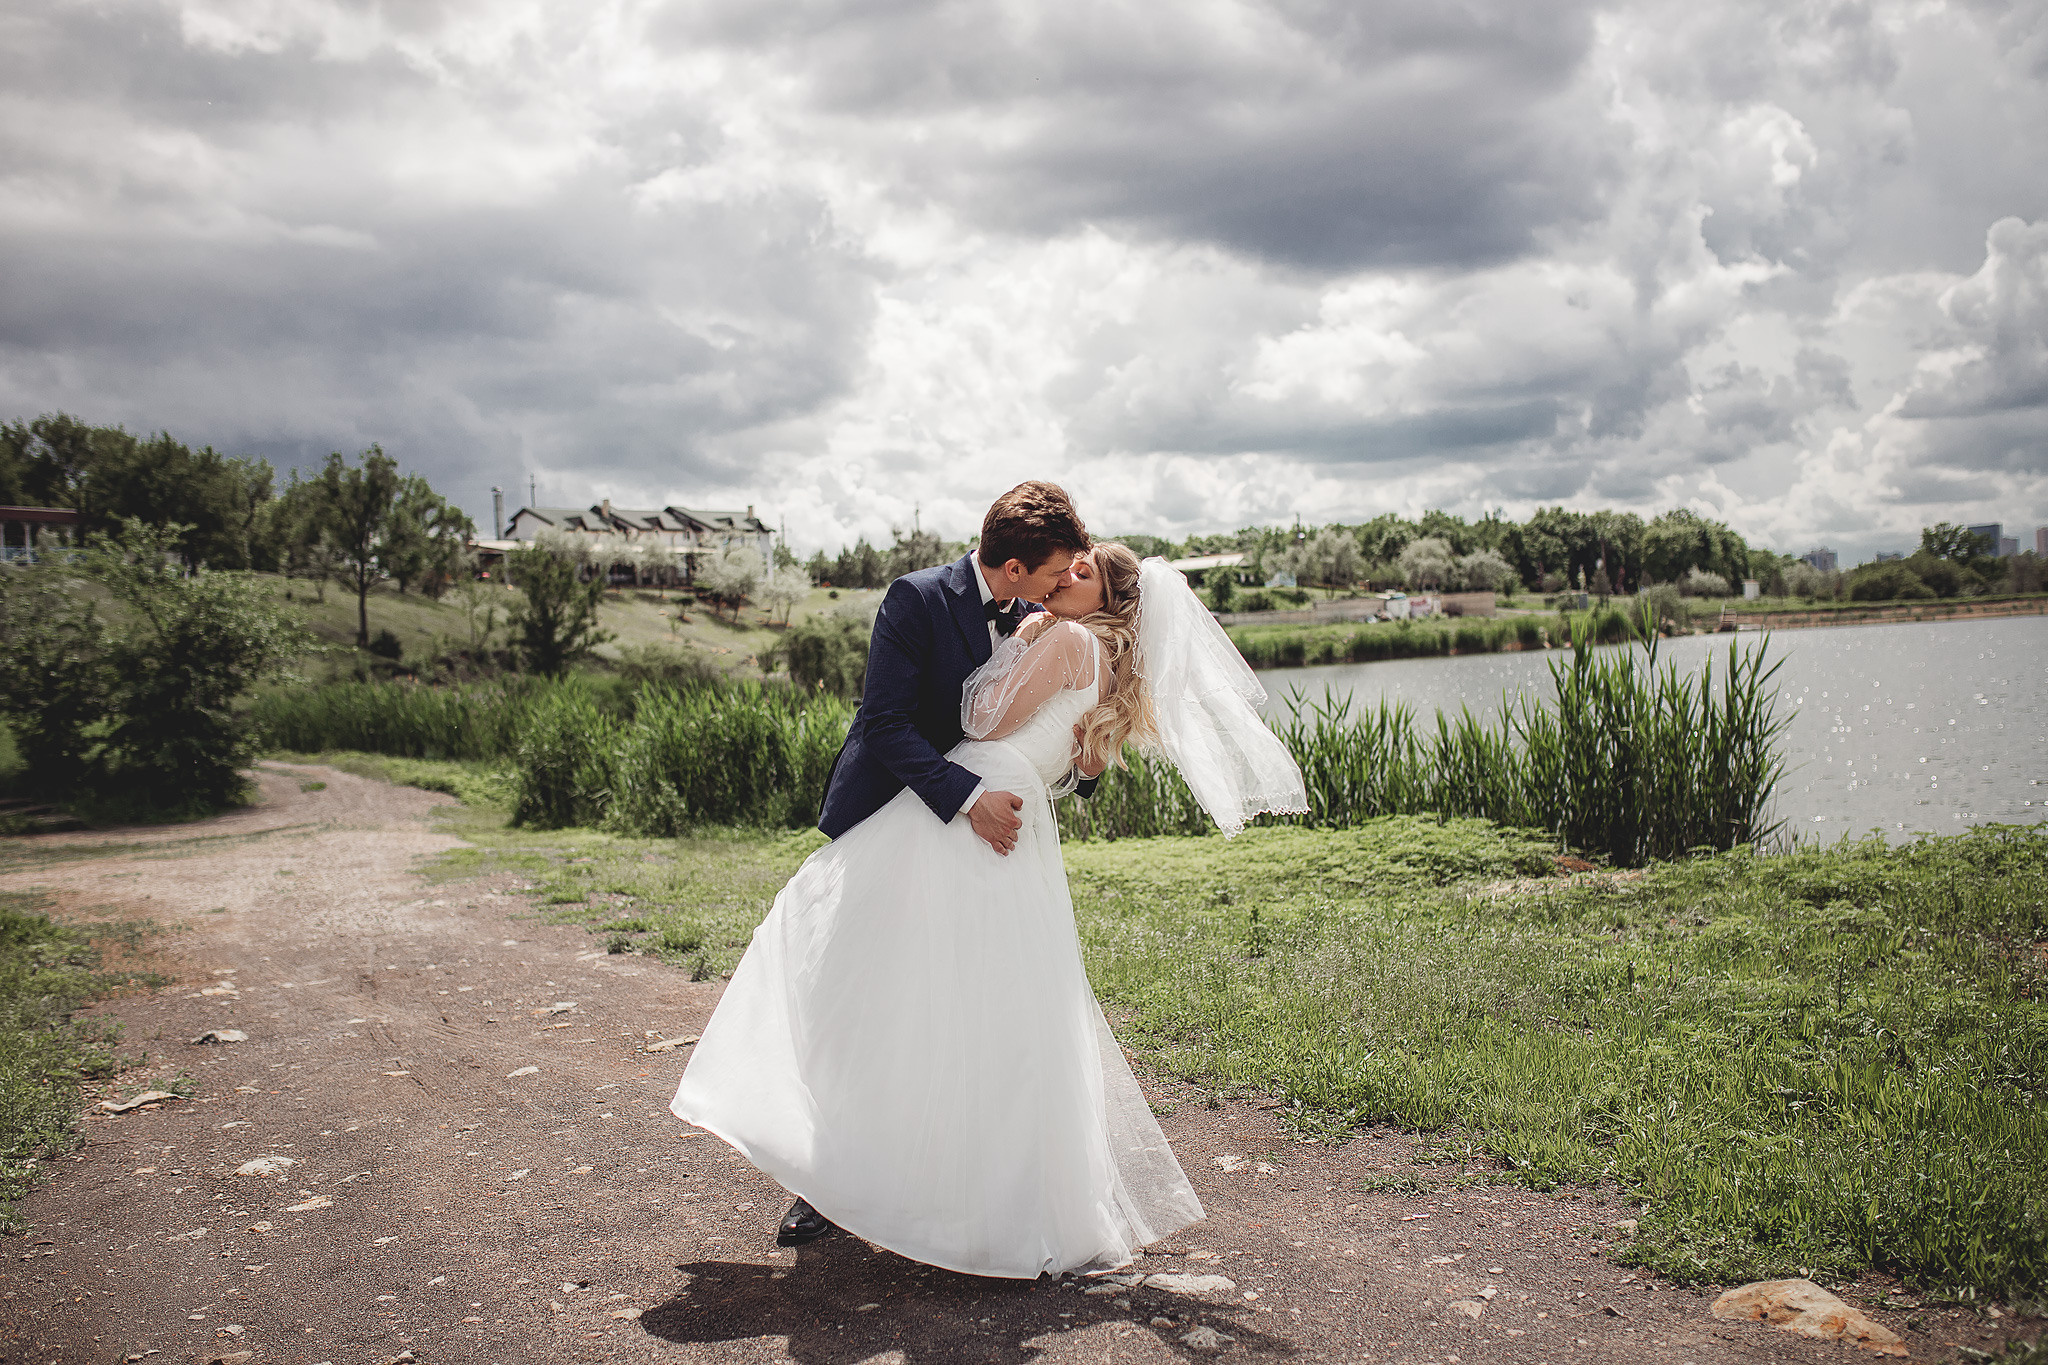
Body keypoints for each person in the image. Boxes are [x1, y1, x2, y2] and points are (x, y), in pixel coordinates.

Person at [670, 521, 1309, 1278]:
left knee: (882, 977)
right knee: (983, 1006)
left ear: (1103, 595)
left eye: (1080, 575)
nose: (1061, 581)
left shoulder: (1069, 641)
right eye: (1062, 570)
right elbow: (1085, 762)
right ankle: (938, 1188)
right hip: (1011, 815)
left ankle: (870, 1179)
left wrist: (1031, 638)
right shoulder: (1104, 661)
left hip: (978, 810)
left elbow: (979, 717)